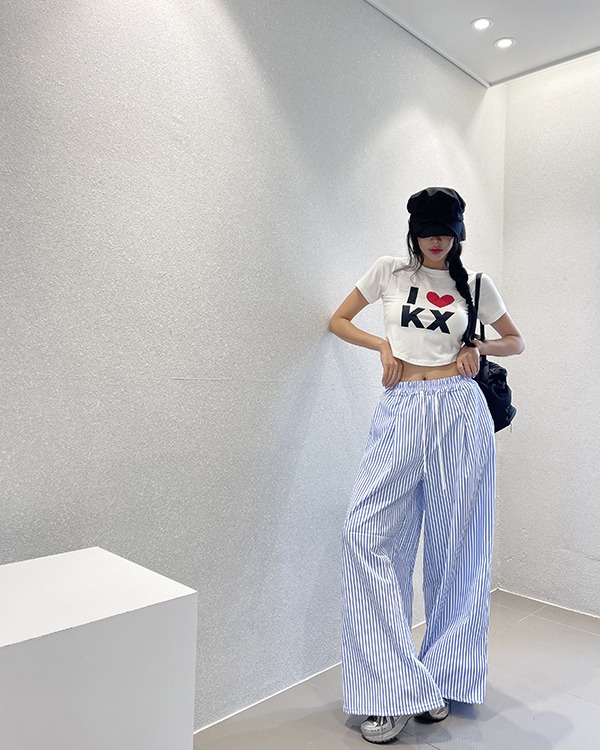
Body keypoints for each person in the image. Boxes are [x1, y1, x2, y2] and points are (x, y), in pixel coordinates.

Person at [328, 187, 525, 744]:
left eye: (446, 231)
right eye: (427, 230)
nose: (437, 240)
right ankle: (392, 687)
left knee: (457, 548)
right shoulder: (388, 272)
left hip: (460, 411)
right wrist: (382, 347)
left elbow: (516, 341)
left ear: (458, 233)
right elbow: (338, 320)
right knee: (365, 535)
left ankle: (439, 678)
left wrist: (478, 348)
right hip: (401, 408)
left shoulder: (477, 284)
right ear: (413, 231)